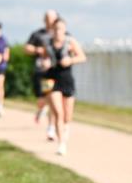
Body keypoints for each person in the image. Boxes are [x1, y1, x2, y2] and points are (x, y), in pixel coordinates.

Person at [38, 17, 86, 156]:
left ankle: (66, 127)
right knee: (58, 113)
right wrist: (45, 64)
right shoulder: (47, 44)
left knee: (67, 115)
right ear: (52, 30)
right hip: (51, 80)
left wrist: (70, 60)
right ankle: (61, 144)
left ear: (65, 29)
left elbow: (82, 57)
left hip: (67, 79)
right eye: (56, 29)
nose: (58, 31)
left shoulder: (70, 42)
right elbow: (43, 60)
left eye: (61, 29)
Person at [25, 11, 58, 139]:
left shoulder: (60, 34)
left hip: (56, 72)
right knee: (43, 100)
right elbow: (27, 48)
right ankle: (40, 109)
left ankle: (51, 127)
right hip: (42, 71)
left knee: (52, 99)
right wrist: (37, 50)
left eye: (52, 18)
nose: (50, 21)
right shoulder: (38, 34)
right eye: (48, 18)